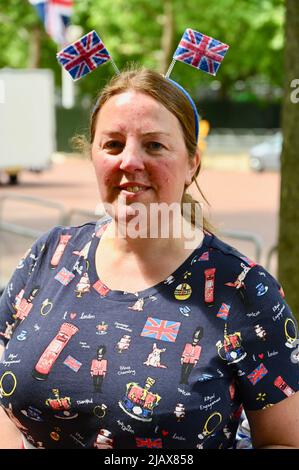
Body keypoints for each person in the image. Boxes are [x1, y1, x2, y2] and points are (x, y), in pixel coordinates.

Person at [0, 67, 298, 449]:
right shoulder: (51, 254)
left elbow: (287, 441)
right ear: (91, 154)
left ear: (192, 163)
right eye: (112, 145)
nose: (129, 161)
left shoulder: (243, 289)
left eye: (154, 145)